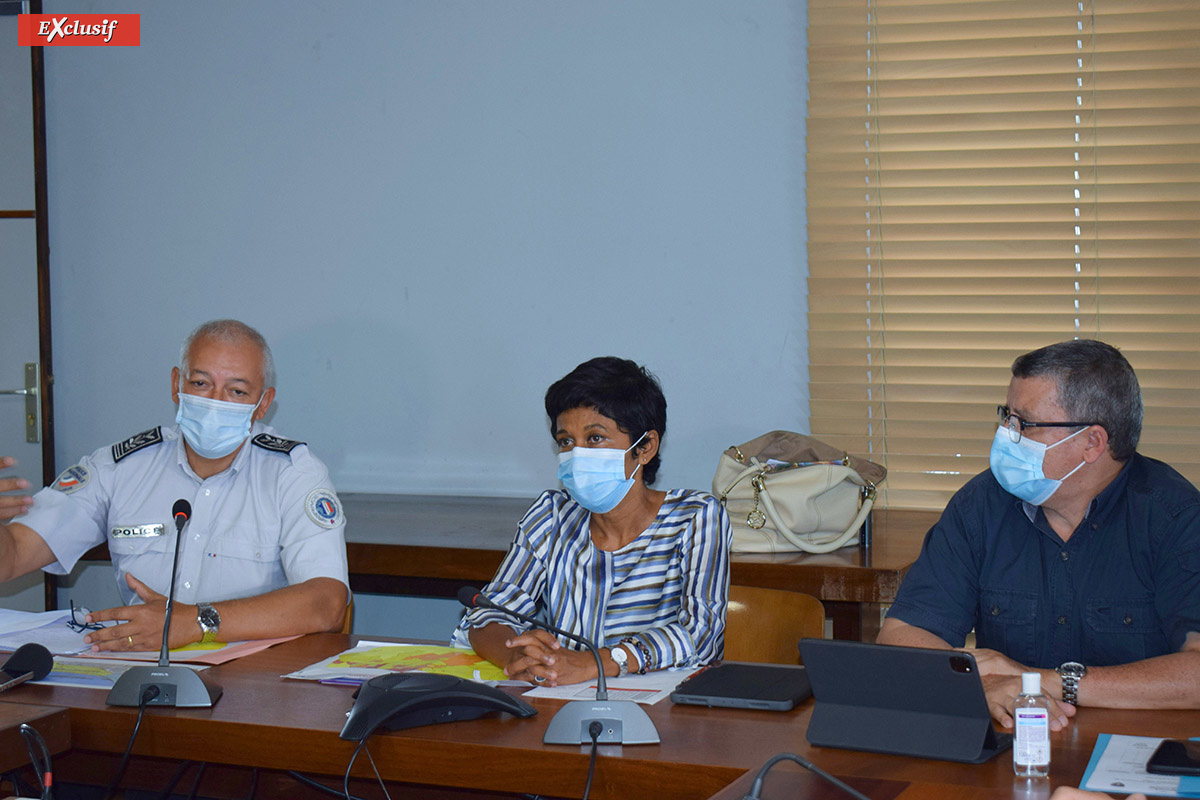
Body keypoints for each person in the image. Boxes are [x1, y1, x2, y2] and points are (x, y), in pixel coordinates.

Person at [878, 339, 1200, 729]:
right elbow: (902, 634)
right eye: (1006, 417)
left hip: (1138, 755)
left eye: (1024, 424)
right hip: (1013, 750)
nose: (1006, 435)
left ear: (1091, 443)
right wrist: (974, 686)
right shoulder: (981, 505)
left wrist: (1039, 683)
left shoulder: (1176, 518)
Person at [0, 319, 349, 651]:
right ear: (176, 385)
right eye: (200, 383)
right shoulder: (120, 468)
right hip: (141, 671)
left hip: (256, 676)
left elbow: (327, 602)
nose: (215, 401)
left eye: (237, 390)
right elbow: (13, 556)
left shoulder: (292, 473)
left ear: (263, 404)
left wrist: (197, 622)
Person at [451, 356, 731, 686]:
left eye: (595, 438)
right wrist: (514, 656)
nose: (577, 453)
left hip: (663, 714)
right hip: (560, 696)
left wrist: (595, 662)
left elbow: (702, 636)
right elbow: (485, 615)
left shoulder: (695, 516)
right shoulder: (552, 517)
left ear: (645, 448)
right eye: (566, 441)